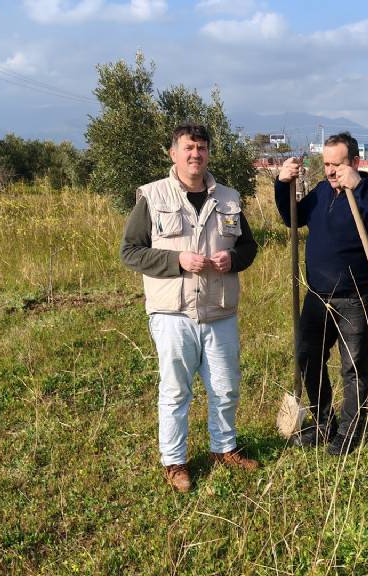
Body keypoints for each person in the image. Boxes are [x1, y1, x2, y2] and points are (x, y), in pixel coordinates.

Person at [120, 123, 260, 493]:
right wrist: (177, 259)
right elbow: (130, 252)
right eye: (188, 147)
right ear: (173, 154)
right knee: (176, 390)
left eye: (201, 147)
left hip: (220, 311)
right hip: (172, 312)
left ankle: (224, 449)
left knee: (226, 387)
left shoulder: (229, 198)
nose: (195, 154)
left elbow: (248, 248)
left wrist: (233, 259)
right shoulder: (152, 196)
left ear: (208, 153)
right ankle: (175, 461)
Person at [275, 132, 368, 455]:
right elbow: (292, 217)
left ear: (355, 163)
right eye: (326, 164)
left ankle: (348, 434)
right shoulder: (320, 192)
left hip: (355, 297)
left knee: (353, 366)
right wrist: (282, 184)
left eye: (337, 164)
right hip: (317, 296)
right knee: (308, 356)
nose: (330, 171)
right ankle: (322, 425)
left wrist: (358, 186)